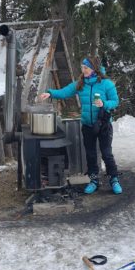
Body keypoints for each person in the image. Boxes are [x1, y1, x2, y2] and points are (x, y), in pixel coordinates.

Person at [40, 56, 122, 194]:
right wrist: (50, 93)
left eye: (86, 68)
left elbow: (115, 101)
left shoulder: (106, 84)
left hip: (103, 124)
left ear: (94, 69)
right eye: (82, 68)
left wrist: (104, 104)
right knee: (90, 155)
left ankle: (114, 179)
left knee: (106, 153)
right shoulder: (80, 83)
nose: (83, 70)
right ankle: (94, 180)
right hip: (88, 126)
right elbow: (65, 92)